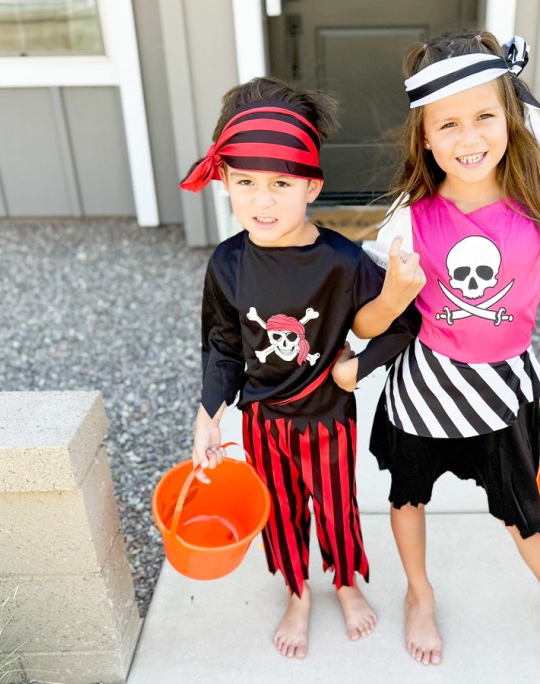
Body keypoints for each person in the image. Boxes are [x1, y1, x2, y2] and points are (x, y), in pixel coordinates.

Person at [333, 31, 540, 668]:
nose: (468, 138)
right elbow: (370, 322)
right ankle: (420, 594)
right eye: (448, 124)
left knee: (524, 512)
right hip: (423, 390)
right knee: (406, 497)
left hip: (504, 391)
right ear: (424, 136)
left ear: (511, 119)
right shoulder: (407, 218)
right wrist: (393, 297)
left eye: (483, 117)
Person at [181, 76, 424, 659]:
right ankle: (297, 590)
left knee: (335, 505)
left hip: (327, 420)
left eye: (280, 184)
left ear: (311, 186)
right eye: (245, 183)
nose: (261, 201)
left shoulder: (341, 261)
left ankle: (344, 582)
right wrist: (208, 413)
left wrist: (354, 371)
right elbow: (222, 343)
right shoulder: (228, 262)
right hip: (263, 422)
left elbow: (402, 323)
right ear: (224, 182)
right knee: (282, 510)